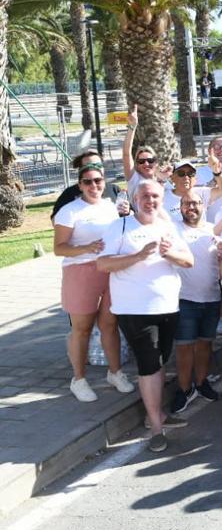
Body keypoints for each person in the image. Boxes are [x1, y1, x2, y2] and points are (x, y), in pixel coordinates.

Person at [96, 181, 194, 453]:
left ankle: (159, 414)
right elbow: (103, 264)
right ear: (135, 199)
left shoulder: (167, 226)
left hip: (167, 307)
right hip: (135, 310)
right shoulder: (121, 227)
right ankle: (155, 428)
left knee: (159, 362)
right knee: (149, 365)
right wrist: (138, 255)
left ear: (162, 199)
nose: (150, 200)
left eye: (155, 196)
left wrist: (168, 252)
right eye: (145, 196)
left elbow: (188, 261)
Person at [54, 163, 131, 402]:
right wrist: (86, 248)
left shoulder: (111, 207)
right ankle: (79, 379)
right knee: (82, 328)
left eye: (98, 180)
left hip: (110, 269)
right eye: (87, 181)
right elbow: (59, 248)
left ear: (104, 181)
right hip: (80, 271)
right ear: (80, 185)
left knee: (110, 324)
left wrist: (127, 216)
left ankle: (115, 372)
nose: (94, 185)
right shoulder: (69, 211)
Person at [171, 192, 222, 413]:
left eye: (195, 203)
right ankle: (184, 389)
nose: (190, 207)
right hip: (184, 299)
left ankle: (201, 383)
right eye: (186, 203)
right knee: (184, 347)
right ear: (180, 207)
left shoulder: (214, 230)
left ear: (204, 205)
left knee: (205, 344)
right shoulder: (172, 228)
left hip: (212, 298)